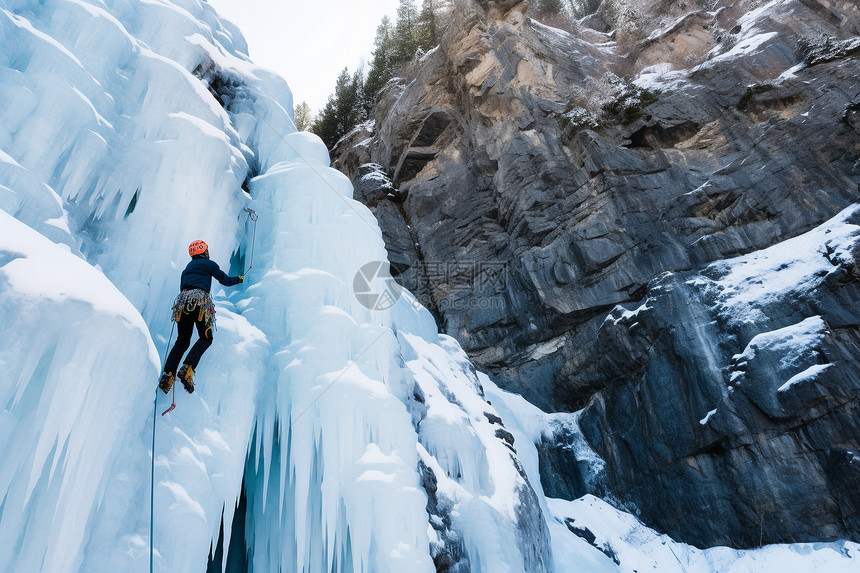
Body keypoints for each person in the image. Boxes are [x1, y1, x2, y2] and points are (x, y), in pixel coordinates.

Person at [159, 240, 243, 394]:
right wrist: (239, 278)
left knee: (182, 341)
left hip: (183, 302)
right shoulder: (209, 264)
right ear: (205, 252)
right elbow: (225, 280)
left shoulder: (186, 270)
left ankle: (168, 374)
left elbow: (182, 287)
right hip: (200, 301)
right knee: (206, 338)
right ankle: (187, 367)